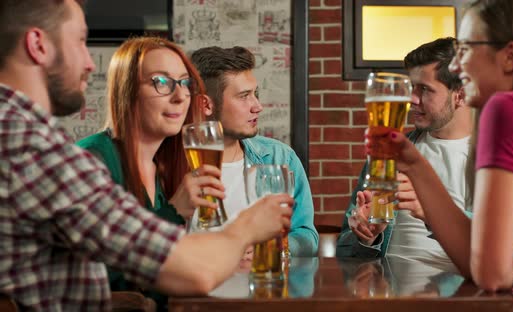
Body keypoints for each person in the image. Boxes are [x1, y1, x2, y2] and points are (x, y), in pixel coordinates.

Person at [0, 0, 293, 310]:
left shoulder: (22, 135)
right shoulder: (33, 147)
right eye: (81, 41)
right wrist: (249, 227)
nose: (89, 63)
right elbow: (191, 271)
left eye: (185, 83)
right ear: (38, 45)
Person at [368, 0, 513, 310]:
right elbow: (496, 267)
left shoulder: (509, 110)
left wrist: (501, 267)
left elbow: (491, 274)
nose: (457, 68)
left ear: (510, 56)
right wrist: (416, 165)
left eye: (467, 50)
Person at [76, 36, 226, 309]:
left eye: (184, 83)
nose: (180, 96)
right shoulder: (92, 160)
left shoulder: (162, 168)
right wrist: (174, 212)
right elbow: (94, 273)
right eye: (161, 82)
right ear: (127, 90)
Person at [337, 38, 472, 273]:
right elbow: (346, 248)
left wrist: (433, 214)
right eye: (412, 87)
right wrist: (367, 236)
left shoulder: (491, 160)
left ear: (459, 95)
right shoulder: (391, 151)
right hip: (387, 293)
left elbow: (508, 252)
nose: (411, 99)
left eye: (425, 89)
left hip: (459, 295)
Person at [190, 46, 318, 256]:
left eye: (255, 94)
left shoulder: (281, 157)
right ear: (206, 105)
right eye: (244, 96)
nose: (257, 106)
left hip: (262, 286)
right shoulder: (173, 162)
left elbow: (306, 236)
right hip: (196, 286)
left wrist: (275, 247)